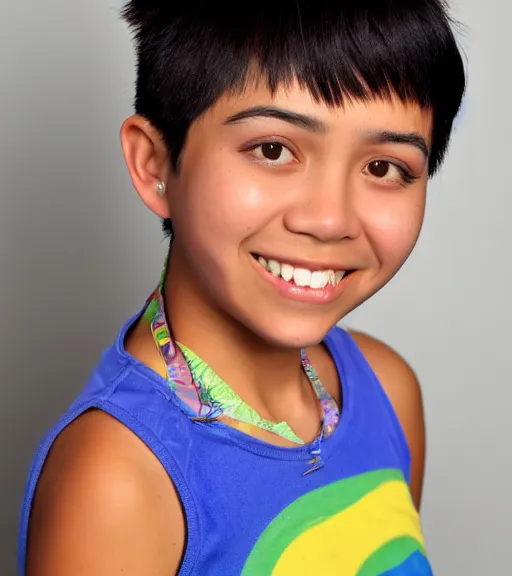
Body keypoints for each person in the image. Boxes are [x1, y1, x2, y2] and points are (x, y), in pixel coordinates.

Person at [19, 1, 466, 574]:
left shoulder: (387, 391)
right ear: (155, 162)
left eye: (383, 168)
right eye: (274, 150)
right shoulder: (120, 478)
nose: (329, 220)